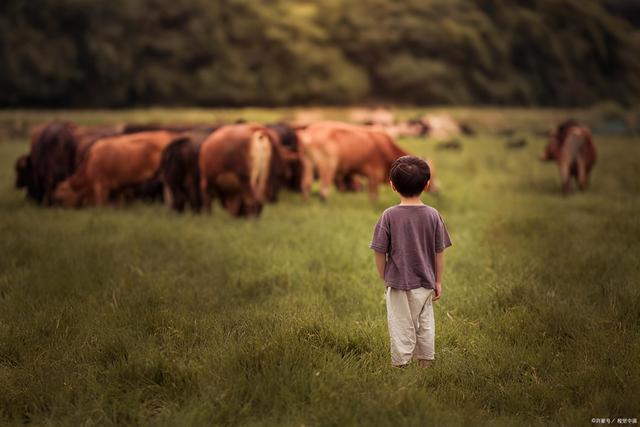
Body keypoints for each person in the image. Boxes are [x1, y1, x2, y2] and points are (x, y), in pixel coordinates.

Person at [369, 155, 452, 368]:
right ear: (426, 184)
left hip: (397, 283)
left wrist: (385, 275)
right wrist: (438, 280)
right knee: (425, 324)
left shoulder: (388, 216)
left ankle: (401, 364)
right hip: (425, 282)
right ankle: (426, 363)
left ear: (392, 186)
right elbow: (439, 251)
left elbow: (379, 252)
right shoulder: (433, 215)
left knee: (400, 324)